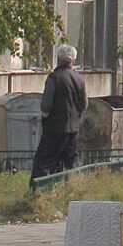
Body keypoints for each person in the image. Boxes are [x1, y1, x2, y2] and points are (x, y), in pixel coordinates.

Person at [30, 44, 87, 178]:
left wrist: (45, 117)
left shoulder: (54, 78)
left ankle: (40, 188)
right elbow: (84, 104)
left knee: (43, 162)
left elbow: (46, 105)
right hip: (73, 129)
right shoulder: (79, 79)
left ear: (58, 59)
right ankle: (74, 186)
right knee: (71, 162)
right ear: (73, 60)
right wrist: (76, 117)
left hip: (54, 129)